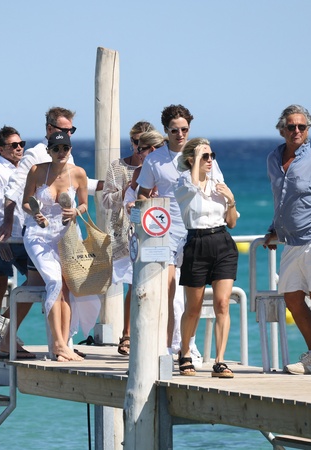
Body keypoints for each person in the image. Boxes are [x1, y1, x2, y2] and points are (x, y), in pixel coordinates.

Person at [137, 104, 217, 362]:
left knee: (192, 296)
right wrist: (147, 215)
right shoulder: (154, 159)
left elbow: (216, 186)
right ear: (166, 130)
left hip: (195, 230)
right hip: (167, 233)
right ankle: (167, 349)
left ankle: (188, 346)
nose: (180, 134)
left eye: (184, 129)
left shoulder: (203, 155)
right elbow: (142, 194)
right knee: (169, 294)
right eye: (174, 130)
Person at [263, 104, 311, 375]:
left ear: (307, 130)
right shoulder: (273, 159)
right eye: (291, 126)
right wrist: (273, 229)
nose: (296, 130)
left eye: (302, 127)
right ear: (282, 130)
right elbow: (281, 200)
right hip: (289, 242)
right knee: (292, 299)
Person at [22, 131, 101, 362]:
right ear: (49, 150)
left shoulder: (78, 173)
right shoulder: (37, 171)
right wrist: (35, 213)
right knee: (54, 281)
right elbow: (25, 202)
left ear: (70, 149)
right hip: (39, 235)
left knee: (67, 288)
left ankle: (65, 344)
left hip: (67, 234)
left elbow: (85, 205)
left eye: (65, 148)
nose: (61, 152)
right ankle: (57, 344)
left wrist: (75, 211)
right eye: (56, 149)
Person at [174, 138, 239, 377]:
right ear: (192, 160)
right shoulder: (183, 182)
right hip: (197, 243)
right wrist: (195, 162)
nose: (210, 160)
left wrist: (231, 200)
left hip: (223, 243)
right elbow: (192, 188)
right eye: (204, 156)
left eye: (212, 155)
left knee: (222, 303)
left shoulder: (218, 184)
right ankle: (185, 353)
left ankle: (220, 361)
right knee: (194, 307)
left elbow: (231, 222)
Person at [0, 106, 102, 242]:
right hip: (39, 232)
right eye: (64, 130)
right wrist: (7, 223)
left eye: (71, 130)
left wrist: (113, 185)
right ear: (49, 128)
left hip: (66, 232)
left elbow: (83, 185)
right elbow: (13, 189)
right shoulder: (35, 154)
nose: (69, 134)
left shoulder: (67, 154)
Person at [0, 125, 38, 359]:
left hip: (22, 237)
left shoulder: (24, 170)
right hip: (3, 238)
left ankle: (3, 328)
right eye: (13, 145)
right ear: (1, 149)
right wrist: (0, 240)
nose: (19, 148)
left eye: (21, 144)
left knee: (35, 282)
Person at [101, 121, 156, 356]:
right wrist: (128, 189)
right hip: (125, 233)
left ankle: (149, 336)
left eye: (146, 143)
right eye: (136, 142)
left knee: (151, 285)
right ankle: (127, 334)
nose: (140, 147)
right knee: (135, 285)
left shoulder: (158, 166)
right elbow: (106, 201)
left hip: (154, 231)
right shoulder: (118, 167)